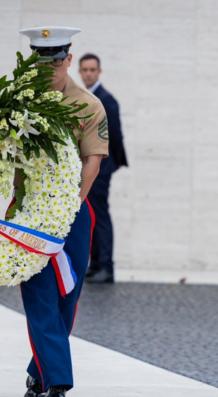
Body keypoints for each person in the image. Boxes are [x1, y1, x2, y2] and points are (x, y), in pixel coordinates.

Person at [17, 26, 108, 397]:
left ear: (68, 60)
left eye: (55, 62)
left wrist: (70, 205)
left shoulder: (89, 106)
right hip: (30, 214)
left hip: (73, 214)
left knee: (66, 297)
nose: (48, 70)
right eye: (40, 62)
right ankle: (57, 384)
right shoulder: (18, 103)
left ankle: (38, 372)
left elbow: (93, 161)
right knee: (39, 296)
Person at [78, 53, 127, 284]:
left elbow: (115, 134)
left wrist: (114, 163)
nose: (88, 73)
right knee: (94, 216)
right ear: (79, 72)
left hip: (101, 167)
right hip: (91, 166)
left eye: (92, 70)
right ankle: (96, 264)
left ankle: (106, 266)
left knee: (101, 216)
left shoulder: (105, 99)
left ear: (99, 72)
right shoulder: (87, 97)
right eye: (85, 70)